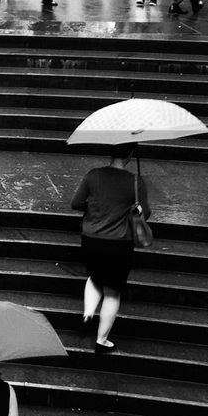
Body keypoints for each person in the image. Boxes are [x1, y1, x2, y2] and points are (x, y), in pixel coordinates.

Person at [71, 143, 150, 350]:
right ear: (130, 155)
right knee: (113, 292)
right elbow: (146, 213)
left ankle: (88, 314)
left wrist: (95, 206)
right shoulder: (135, 181)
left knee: (95, 277)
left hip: (91, 239)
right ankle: (102, 340)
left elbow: (76, 203)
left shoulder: (93, 175)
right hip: (118, 243)